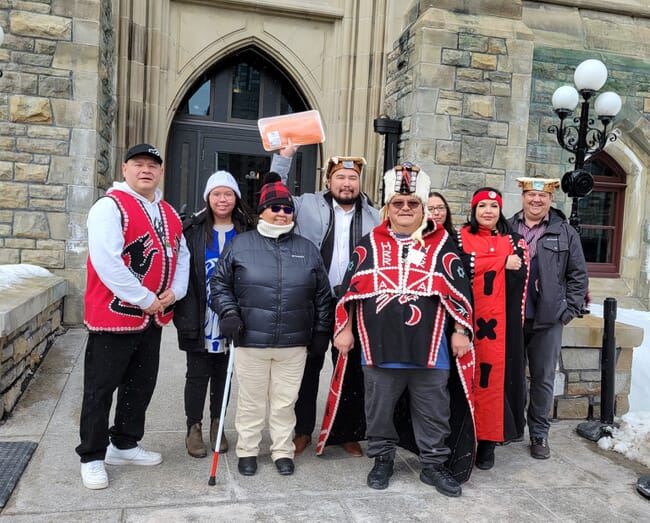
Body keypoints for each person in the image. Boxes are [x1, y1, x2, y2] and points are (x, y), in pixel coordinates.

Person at [333, 162, 475, 497]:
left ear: (423, 208)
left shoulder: (442, 243)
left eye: (413, 204)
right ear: (388, 208)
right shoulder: (368, 243)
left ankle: (433, 464)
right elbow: (351, 290)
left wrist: (461, 331)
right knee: (378, 410)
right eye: (398, 203)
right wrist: (345, 329)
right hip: (378, 347)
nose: (406, 209)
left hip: (431, 349)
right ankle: (382, 458)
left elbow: (458, 291)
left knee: (434, 412)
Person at [77, 144, 190, 490]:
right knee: (100, 390)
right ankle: (92, 456)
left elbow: (181, 257)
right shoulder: (109, 207)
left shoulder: (168, 212)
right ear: (125, 169)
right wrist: (145, 298)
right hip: (113, 318)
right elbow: (107, 262)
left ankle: (124, 443)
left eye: (153, 166)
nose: (146, 170)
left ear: (160, 172)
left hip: (151, 319)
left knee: (140, 385)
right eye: (138, 164)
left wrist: (176, 292)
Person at [210, 175, 332, 477]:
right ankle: (248, 450)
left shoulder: (306, 249)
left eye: (287, 209)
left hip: (293, 343)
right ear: (261, 211)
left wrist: (321, 332)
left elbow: (322, 295)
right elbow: (219, 284)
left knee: (284, 402)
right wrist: (228, 313)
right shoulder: (240, 245)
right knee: (251, 401)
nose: (281, 213)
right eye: (274, 207)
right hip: (251, 339)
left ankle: (281, 450)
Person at [271, 145, 380, 456]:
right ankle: (302, 429)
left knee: (350, 370)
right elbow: (274, 193)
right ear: (328, 180)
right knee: (307, 368)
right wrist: (284, 158)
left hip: (355, 303)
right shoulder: (306, 205)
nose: (347, 183)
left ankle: (346, 432)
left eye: (353, 178)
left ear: (360, 183)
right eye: (341, 177)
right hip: (314, 300)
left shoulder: (374, 215)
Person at [173, 171, 256, 458]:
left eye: (228, 194)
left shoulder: (247, 230)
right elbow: (181, 273)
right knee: (197, 373)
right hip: (200, 313)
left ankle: (217, 423)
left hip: (234, 314)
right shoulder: (192, 230)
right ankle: (193, 427)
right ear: (208, 198)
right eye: (217, 194)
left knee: (224, 372)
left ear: (236, 198)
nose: (223, 199)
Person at [507, 177, 588, 459]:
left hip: (548, 320)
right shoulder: (506, 227)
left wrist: (567, 312)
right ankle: (511, 428)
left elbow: (578, 276)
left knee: (542, 379)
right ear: (523, 197)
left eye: (542, 197)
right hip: (512, 318)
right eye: (531, 196)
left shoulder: (565, 232)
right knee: (511, 377)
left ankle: (539, 434)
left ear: (550, 200)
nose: (536, 201)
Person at [457, 187, 528, 470]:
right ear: (474, 210)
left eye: (494, 206)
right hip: (465, 323)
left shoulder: (514, 240)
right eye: (482, 205)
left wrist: (486, 266)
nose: (488, 211)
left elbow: (520, 271)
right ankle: (462, 438)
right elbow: (458, 266)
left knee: (494, 385)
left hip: (502, 327)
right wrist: (498, 262)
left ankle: (487, 442)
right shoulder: (459, 237)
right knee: (463, 381)